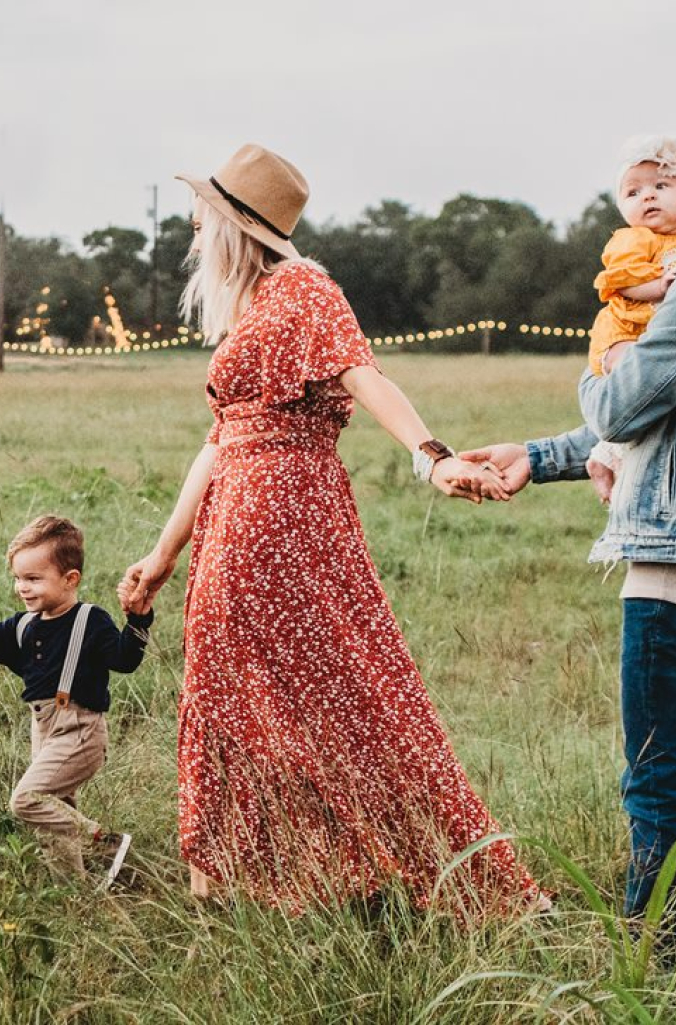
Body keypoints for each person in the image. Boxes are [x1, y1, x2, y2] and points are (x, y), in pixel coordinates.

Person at [117, 143, 544, 915]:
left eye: (201, 212)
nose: (189, 224)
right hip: (237, 512)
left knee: (339, 689)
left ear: (234, 224)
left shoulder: (303, 288)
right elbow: (218, 442)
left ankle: (404, 870)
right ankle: (246, 878)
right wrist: (161, 554)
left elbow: (364, 373)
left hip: (280, 514)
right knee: (231, 691)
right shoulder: (250, 306)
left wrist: (430, 456)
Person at [461, 81, 676, 945]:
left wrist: (602, 347)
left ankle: (650, 963)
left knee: (656, 780)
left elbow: (623, 408)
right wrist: (538, 456)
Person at [0, 516, 152, 888]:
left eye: (34, 578)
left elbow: (126, 660)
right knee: (55, 818)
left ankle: (105, 844)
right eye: (18, 578)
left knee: (28, 800)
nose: (22, 587)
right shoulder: (22, 626)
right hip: (43, 730)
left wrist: (138, 619)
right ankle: (75, 894)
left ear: (70, 579)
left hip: (80, 731)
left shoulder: (90, 620)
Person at [585, 136, 676, 499]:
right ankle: (607, 454)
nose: (647, 196)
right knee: (633, 383)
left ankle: (607, 454)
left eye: (661, 186)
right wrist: (659, 286)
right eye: (633, 193)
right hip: (622, 332)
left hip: (651, 334)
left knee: (656, 395)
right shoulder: (633, 239)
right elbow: (622, 281)